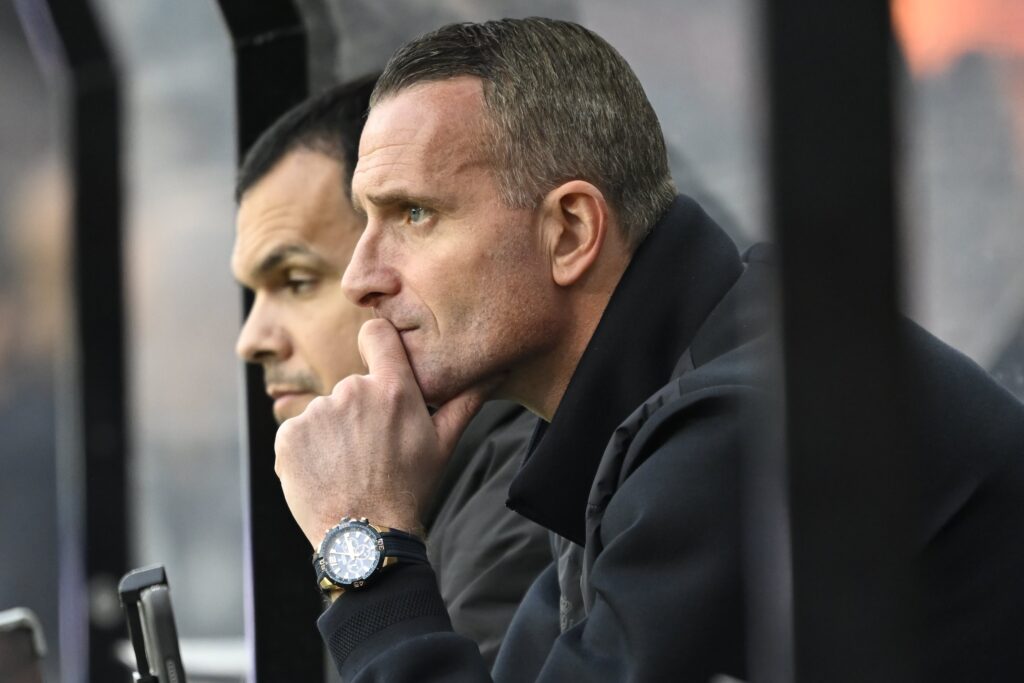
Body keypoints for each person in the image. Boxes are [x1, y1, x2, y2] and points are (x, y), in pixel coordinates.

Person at [274, 18, 1024, 682]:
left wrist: (361, 533)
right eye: (366, 221)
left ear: (571, 231)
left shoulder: (735, 425)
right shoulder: (663, 398)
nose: (360, 279)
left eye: (413, 214)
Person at [231, 74, 550, 666]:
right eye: (253, 294)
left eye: (296, 281)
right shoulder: (455, 479)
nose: (252, 341)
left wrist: (362, 539)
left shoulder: (525, 498)